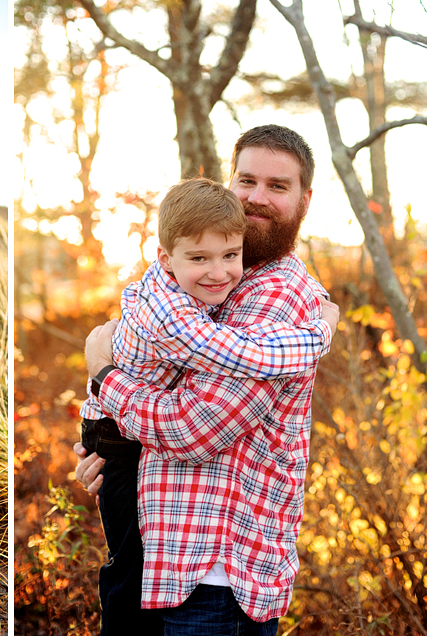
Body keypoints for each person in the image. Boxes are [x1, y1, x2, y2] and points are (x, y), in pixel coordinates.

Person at [77, 125, 335, 635]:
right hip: (168, 563)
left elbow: (193, 429)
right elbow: (158, 371)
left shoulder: (278, 295)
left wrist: (104, 379)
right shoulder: (208, 278)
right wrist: (110, 446)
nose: (257, 198)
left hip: (215, 583)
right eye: (247, 180)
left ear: (305, 200)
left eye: (278, 186)